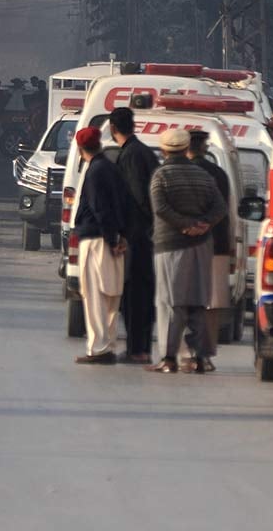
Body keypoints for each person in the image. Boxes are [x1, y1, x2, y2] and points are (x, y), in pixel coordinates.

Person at [146, 128, 227, 374]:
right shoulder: (204, 176)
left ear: (164, 150)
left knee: (171, 303)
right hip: (202, 245)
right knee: (198, 301)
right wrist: (203, 224)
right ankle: (199, 358)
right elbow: (220, 207)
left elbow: (160, 208)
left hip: (171, 245)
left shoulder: (161, 176)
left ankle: (169, 358)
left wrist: (186, 225)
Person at [70, 126, 130, 364]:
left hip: (97, 240)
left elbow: (99, 208)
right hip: (111, 238)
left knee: (94, 295)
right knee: (111, 296)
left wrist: (111, 238)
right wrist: (120, 236)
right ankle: (108, 344)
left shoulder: (94, 171)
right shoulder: (111, 168)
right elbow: (122, 205)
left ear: (80, 148)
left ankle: (98, 348)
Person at [109, 106, 160, 364]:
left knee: (134, 294)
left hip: (137, 236)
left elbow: (138, 196)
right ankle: (139, 348)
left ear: (112, 128)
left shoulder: (131, 155)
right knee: (141, 292)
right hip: (146, 235)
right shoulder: (143, 152)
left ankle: (137, 349)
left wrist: (128, 232)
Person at [186, 129, 234, 373]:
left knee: (186, 299)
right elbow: (227, 212)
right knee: (211, 304)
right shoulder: (219, 174)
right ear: (205, 148)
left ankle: (188, 353)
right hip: (217, 245)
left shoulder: (182, 174)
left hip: (187, 245)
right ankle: (206, 353)